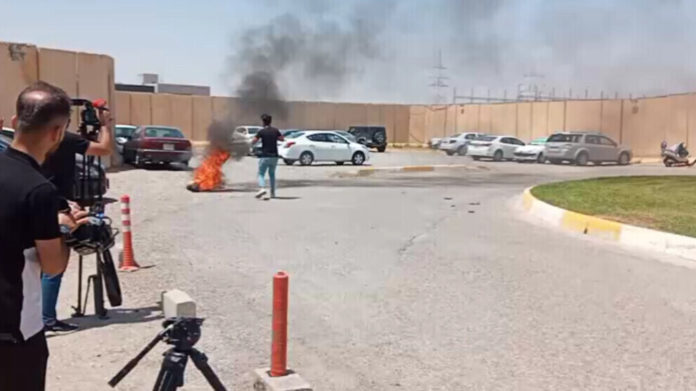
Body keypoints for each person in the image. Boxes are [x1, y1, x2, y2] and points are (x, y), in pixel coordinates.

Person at [0, 81, 88, 390]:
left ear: (15, 123)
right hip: (15, 334)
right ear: (57, 133)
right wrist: (63, 227)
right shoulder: (39, 190)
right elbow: (53, 265)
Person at [40, 95, 113, 332]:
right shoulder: (66, 140)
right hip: (59, 207)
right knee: (54, 267)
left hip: (38, 203)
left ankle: (37, 316)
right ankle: (47, 319)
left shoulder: (34, 139)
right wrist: (104, 124)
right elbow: (103, 148)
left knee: (35, 266)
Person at [253, 113, 284, 199]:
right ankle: (273, 193)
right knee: (272, 174)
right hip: (274, 156)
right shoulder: (275, 130)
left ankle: (262, 188)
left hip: (265, 156)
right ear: (270, 121)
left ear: (263, 122)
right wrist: (275, 137)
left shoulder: (261, 131)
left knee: (261, 174)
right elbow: (282, 138)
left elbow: (254, 141)